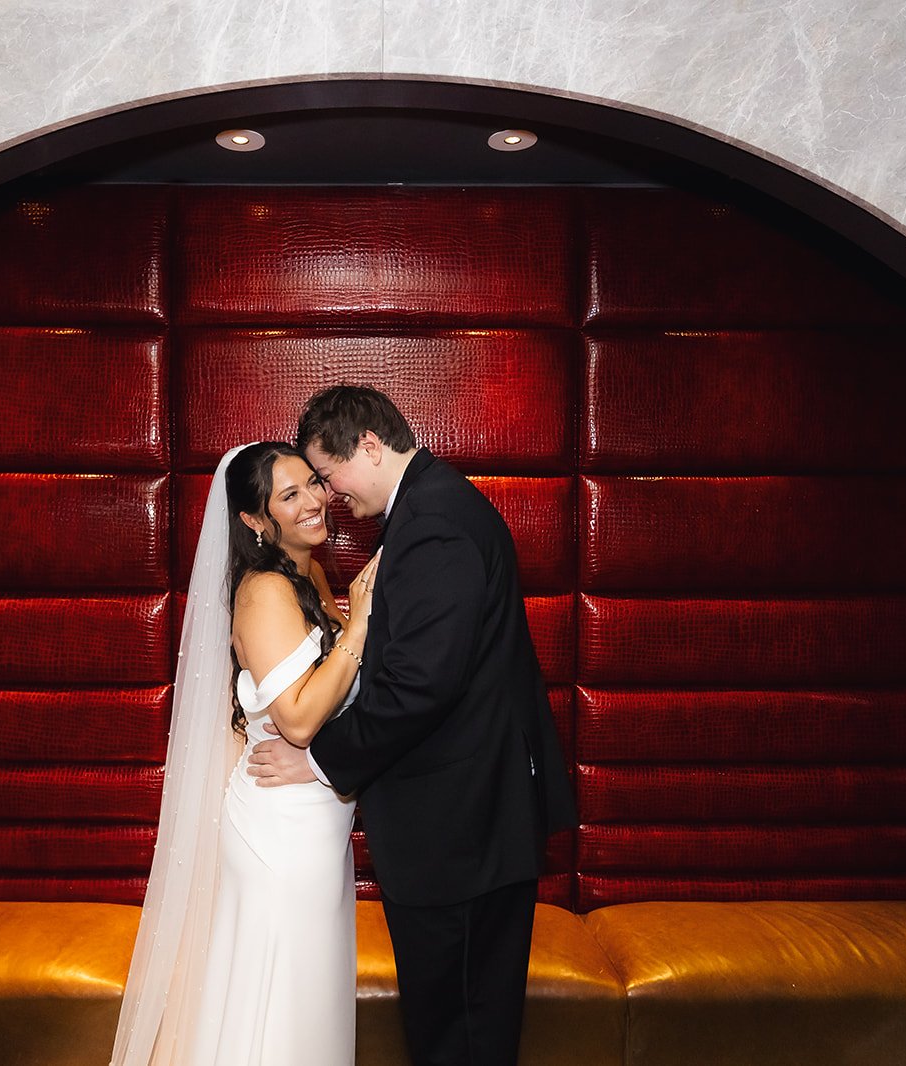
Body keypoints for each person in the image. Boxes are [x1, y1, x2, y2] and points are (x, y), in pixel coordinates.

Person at [250, 386, 578, 1066]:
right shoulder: (433, 508)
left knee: (456, 1035)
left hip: (458, 836)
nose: (332, 495)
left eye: (330, 474)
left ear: (369, 445)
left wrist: (317, 761)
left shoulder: (432, 522)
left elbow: (420, 687)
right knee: (460, 1029)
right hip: (467, 828)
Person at [110, 441, 381, 1066]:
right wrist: (361, 627)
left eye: (313, 483)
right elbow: (299, 717)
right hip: (280, 837)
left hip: (316, 825)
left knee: (305, 1004)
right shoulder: (263, 592)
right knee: (281, 1010)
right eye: (290, 495)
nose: (315, 500)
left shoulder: (307, 571)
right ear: (256, 522)